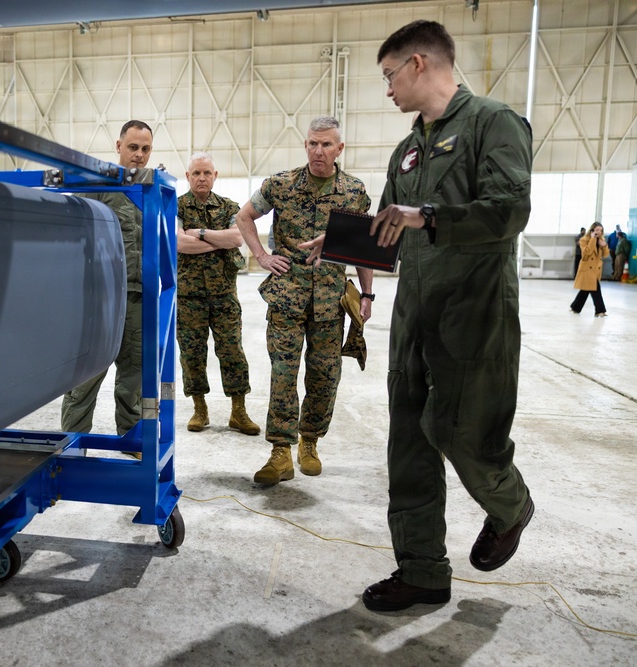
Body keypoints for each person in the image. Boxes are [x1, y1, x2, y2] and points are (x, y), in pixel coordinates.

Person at [344, 20, 534, 612]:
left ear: (419, 63)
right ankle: (423, 569)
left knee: (461, 432)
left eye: (389, 75)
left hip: (474, 313)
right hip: (415, 315)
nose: (388, 89)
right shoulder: (407, 149)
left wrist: (427, 215)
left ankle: (510, 505)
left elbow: (509, 211)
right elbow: (386, 231)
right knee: (409, 443)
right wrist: (335, 246)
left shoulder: (493, 123)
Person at [235, 115, 373, 484]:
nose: (318, 150)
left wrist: (368, 294)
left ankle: (309, 441)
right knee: (283, 374)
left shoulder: (354, 192)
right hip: (287, 297)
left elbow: (362, 247)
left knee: (325, 376)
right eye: (312, 143)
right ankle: (280, 452)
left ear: (339, 148)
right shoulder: (281, 184)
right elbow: (244, 216)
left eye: (326, 144)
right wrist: (262, 256)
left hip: (330, 299)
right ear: (306, 145)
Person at [61, 120, 155, 453]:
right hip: (101, 299)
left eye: (145, 149)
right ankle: (72, 443)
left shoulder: (151, 190)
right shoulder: (98, 185)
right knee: (85, 376)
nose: (139, 155)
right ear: (119, 147)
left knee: (132, 379)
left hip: (139, 300)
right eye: (133, 147)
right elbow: (70, 233)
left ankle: (130, 441)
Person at [176, 152, 260, 435]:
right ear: (188, 177)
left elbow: (237, 237)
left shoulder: (228, 206)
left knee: (232, 350)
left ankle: (239, 411)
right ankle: (200, 409)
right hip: (189, 297)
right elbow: (179, 244)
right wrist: (217, 240)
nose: (202, 178)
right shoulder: (174, 207)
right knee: (192, 353)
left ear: (215, 175)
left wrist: (198, 233)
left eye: (206, 173)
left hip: (224, 294)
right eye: (196, 173)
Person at [570, 222, 610, 315]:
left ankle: (575, 307)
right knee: (595, 288)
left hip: (595, 269)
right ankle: (600, 310)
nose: (599, 232)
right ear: (592, 230)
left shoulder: (601, 240)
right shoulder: (584, 240)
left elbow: (605, 255)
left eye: (600, 230)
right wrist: (592, 239)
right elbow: (586, 253)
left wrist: (604, 246)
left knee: (586, 289)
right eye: (597, 230)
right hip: (587, 268)